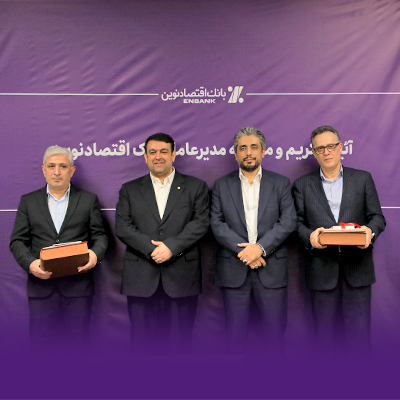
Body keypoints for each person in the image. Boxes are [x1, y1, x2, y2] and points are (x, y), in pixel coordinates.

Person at [292, 125, 386, 356]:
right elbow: (296, 224)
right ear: (314, 153)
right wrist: (310, 237)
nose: (327, 152)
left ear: (341, 147)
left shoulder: (362, 179)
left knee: (359, 342)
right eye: (320, 148)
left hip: (358, 270)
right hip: (321, 271)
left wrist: (369, 232)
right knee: (324, 343)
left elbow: (377, 218)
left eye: (331, 146)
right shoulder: (302, 185)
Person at [115, 133, 209, 355]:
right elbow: (123, 227)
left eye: (164, 152)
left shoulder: (195, 187)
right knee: (142, 348)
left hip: (181, 277)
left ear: (173, 155)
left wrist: (171, 248)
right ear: (145, 157)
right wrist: (153, 250)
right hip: (141, 278)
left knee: (180, 346)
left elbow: (200, 223)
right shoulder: (129, 189)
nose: (158, 156)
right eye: (153, 152)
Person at [10, 145, 108, 352]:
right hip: (41, 288)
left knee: (78, 349)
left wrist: (94, 255)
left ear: (72, 170)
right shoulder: (28, 201)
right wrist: (31, 264)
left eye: (63, 166)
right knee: (41, 350)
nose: (57, 171)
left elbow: (100, 236)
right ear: (43, 170)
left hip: (78, 288)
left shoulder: (88, 200)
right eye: (51, 166)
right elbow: (17, 241)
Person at [210, 127, 296, 355]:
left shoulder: (280, 183)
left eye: (254, 147)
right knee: (234, 341)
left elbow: (288, 221)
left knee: (274, 339)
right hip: (234, 272)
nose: (248, 153)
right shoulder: (221, 185)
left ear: (263, 152)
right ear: (235, 154)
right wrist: (247, 254)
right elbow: (216, 224)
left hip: (271, 272)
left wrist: (260, 248)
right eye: (243, 148)